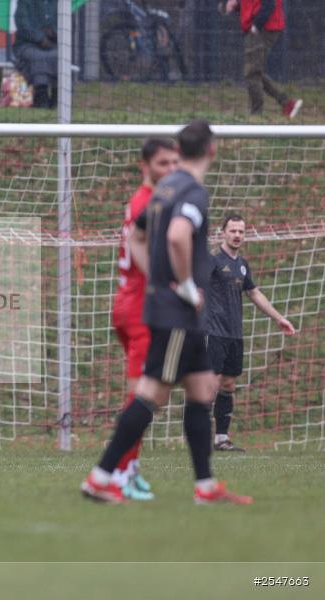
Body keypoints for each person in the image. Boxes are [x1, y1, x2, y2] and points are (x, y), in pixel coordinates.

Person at [81, 120, 252, 504]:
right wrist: (186, 287)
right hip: (176, 314)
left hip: (174, 310)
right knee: (151, 393)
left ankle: (205, 487)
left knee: (202, 388)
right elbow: (176, 235)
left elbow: (136, 237)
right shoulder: (190, 190)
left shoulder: (165, 187)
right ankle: (100, 476)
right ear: (212, 150)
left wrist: (157, 280)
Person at [110, 138, 179, 500]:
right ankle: (119, 472)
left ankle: (129, 469)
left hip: (127, 303)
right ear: (145, 166)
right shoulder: (151, 203)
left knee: (149, 394)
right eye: (162, 163)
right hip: (140, 309)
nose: (170, 170)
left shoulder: (143, 200)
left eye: (174, 163)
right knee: (143, 396)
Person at [205, 213, 296, 452]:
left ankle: (221, 438)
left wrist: (279, 319)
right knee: (209, 384)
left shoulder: (242, 264)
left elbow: (254, 293)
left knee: (228, 384)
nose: (237, 235)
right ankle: (199, 437)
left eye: (241, 231)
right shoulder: (212, 260)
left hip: (235, 334)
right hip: (213, 332)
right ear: (222, 232)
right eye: (233, 231)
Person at [222, 0, 302, 118]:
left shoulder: (259, 26)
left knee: (252, 72)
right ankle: (287, 104)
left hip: (263, 27)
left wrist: (256, 26)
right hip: (259, 26)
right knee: (254, 71)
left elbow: (269, 4)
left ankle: (256, 114)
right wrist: (238, 5)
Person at [12, 0, 57, 109]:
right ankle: (41, 96)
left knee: (60, 56)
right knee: (38, 57)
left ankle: (58, 97)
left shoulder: (59, 3)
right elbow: (22, 25)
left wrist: (54, 32)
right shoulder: (24, 2)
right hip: (27, 44)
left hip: (53, 44)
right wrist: (40, 38)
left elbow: (66, 23)